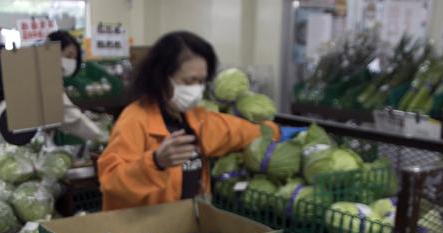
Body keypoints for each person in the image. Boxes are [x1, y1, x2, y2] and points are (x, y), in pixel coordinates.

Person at [97, 31, 302, 210]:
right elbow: (111, 182)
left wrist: (277, 132)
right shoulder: (134, 119)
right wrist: (156, 162)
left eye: (202, 81)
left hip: (185, 224)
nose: (196, 89)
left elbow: (235, 131)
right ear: (161, 77)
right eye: (189, 81)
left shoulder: (196, 118)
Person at [0, 30, 106, 144]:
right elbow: (71, 118)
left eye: (74, 58)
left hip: (13, 138)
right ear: (52, 52)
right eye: (69, 55)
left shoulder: (32, 71)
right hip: (17, 140)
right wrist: (102, 137)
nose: (71, 62)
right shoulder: (44, 79)